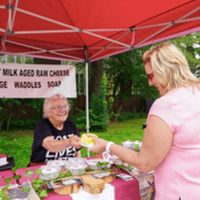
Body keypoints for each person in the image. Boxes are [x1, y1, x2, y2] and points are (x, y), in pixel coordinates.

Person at [88, 43, 200, 199]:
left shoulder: (166, 104)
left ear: (166, 69)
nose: (150, 83)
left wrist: (107, 145)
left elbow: (145, 163)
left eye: (151, 76)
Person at [30, 93, 82, 165]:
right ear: (48, 112)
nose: (63, 110)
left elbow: (77, 151)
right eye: (58, 107)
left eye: (65, 106)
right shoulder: (42, 125)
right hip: (43, 168)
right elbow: (50, 146)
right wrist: (69, 141)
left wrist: (77, 166)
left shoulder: (71, 124)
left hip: (68, 167)